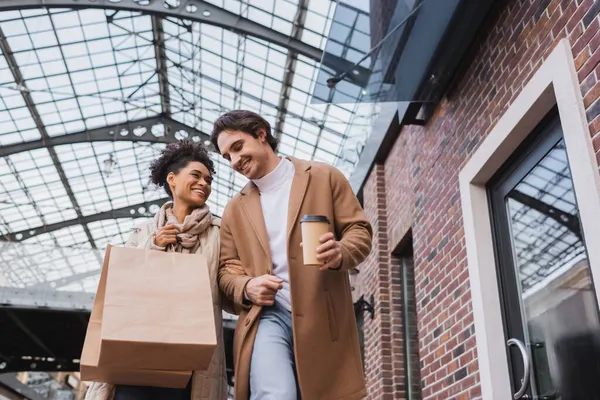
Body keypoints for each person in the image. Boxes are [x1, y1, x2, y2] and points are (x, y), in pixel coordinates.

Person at [211, 110, 373, 400]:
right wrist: (247, 286)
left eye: (237, 147)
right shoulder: (234, 209)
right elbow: (226, 271)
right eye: (227, 157)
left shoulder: (324, 177)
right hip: (266, 316)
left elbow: (359, 231)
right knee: (277, 394)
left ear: (261, 134)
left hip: (322, 314)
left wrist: (341, 251)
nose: (234, 161)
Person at [85, 139, 230, 400]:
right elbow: (121, 290)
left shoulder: (220, 233)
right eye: (196, 175)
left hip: (191, 362)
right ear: (172, 179)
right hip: (134, 357)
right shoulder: (143, 231)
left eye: (208, 180)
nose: (204, 184)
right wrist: (154, 247)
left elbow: (228, 285)